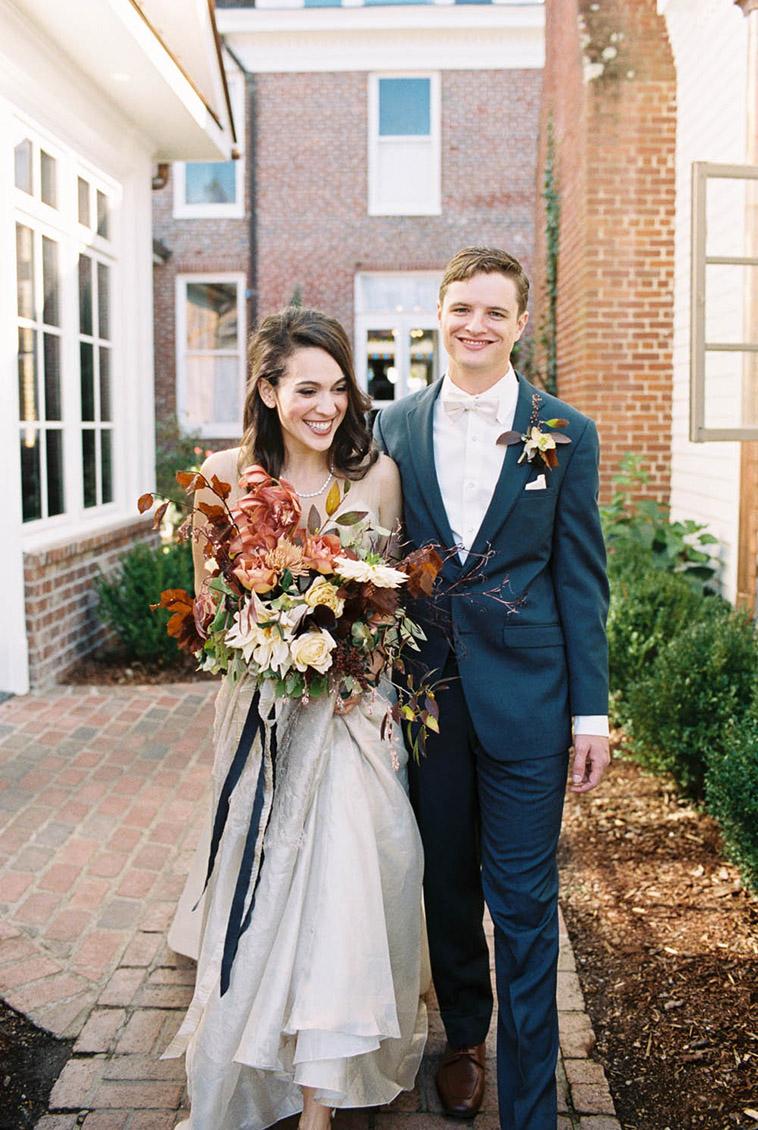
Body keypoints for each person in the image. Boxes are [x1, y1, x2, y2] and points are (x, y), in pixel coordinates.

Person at [164, 307, 428, 1130]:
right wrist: (267, 627)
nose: (327, 406)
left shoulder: (376, 477)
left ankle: (321, 1098)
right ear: (269, 390)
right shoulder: (221, 477)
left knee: (350, 878)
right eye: (307, 388)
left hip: (349, 712)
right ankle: (263, 1054)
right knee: (270, 886)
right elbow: (209, 615)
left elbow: (386, 604)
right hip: (265, 715)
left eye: (339, 389)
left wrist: (356, 664)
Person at [373, 246, 610, 1130]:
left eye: (494, 312)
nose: (476, 325)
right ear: (440, 313)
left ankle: (532, 1105)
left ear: (521, 323)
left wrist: (592, 713)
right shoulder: (394, 425)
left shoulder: (566, 431)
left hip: (531, 702)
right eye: (462, 308)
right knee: (445, 885)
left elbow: (580, 579)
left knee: (525, 903)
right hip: (426, 698)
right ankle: (464, 1040)